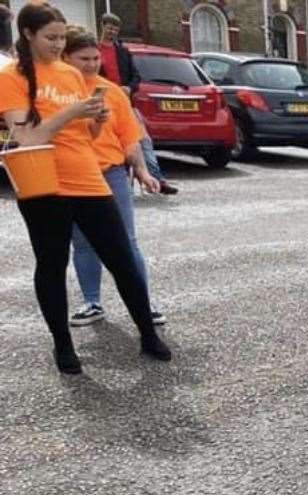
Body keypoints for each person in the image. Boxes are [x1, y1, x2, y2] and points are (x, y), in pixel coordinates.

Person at [0, 4, 170, 374]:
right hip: (43, 182)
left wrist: (96, 120)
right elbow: (28, 136)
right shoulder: (11, 75)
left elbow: (87, 135)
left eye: (62, 37)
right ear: (28, 34)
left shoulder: (69, 73)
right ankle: (63, 346)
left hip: (88, 177)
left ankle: (147, 334)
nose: (59, 45)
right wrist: (74, 112)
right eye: (51, 38)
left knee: (122, 259)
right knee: (52, 264)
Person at [60, 28, 165, 327]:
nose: (92, 64)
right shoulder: (60, 92)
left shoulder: (112, 91)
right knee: (83, 243)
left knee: (127, 241)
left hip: (111, 173)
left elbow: (129, 138)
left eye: (95, 58)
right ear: (66, 57)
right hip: (76, 176)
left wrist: (143, 171)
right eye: (84, 58)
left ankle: (143, 302)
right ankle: (92, 302)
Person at [97, 12, 175, 194]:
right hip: (103, 104)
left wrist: (129, 88)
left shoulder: (123, 52)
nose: (112, 32)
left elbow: (136, 77)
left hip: (126, 104)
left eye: (115, 29)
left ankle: (158, 179)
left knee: (143, 140)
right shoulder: (94, 51)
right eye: (109, 27)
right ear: (102, 26)